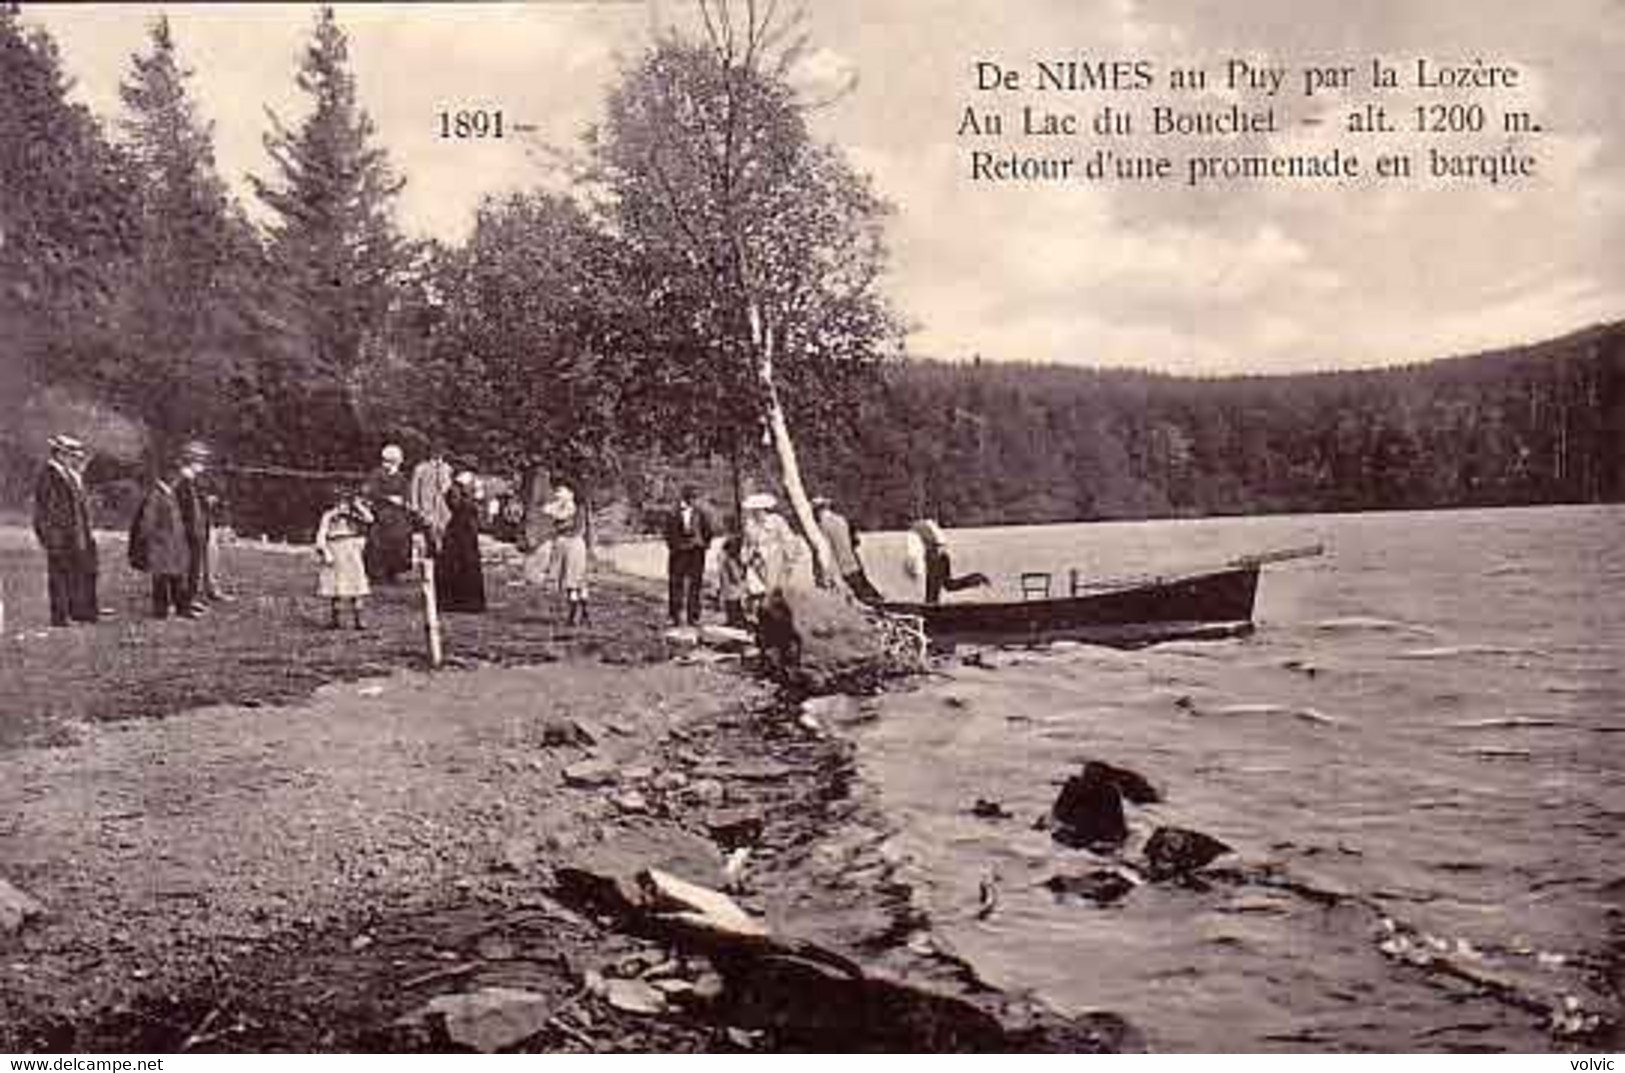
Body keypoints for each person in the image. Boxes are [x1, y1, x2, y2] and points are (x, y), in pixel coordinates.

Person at [32, 434, 99, 627]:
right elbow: (46, 511)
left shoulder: (69, 475)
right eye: (70, 455)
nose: (75, 459)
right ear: (60, 454)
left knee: (76, 573)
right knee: (59, 576)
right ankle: (60, 617)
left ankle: (77, 612)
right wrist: (51, 537)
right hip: (59, 536)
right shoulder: (49, 475)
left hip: (75, 535)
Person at [134, 460, 195, 620]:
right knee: (161, 579)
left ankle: (181, 609)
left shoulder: (170, 493)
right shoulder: (156, 494)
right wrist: (153, 540)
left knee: (177, 577)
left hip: (174, 545)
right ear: (169, 475)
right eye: (177, 476)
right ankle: (160, 611)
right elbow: (147, 522)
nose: (178, 480)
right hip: (162, 545)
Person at [315, 484, 373, 629]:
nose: (342, 505)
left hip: (351, 549)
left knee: (356, 584)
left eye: (345, 502)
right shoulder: (329, 516)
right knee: (336, 586)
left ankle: (360, 620)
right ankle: (336, 619)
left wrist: (358, 506)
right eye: (339, 502)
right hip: (335, 548)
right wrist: (325, 551)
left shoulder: (354, 516)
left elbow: (370, 519)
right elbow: (321, 535)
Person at [811, 495, 883, 603]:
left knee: (858, 598)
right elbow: (856, 541)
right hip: (853, 562)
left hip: (840, 568)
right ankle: (880, 600)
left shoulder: (821, 527)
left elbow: (824, 550)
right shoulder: (842, 520)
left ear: (817, 510)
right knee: (866, 590)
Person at [740, 492, 813, 596]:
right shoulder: (750, 525)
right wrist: (747, 556)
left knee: (777, 588)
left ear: (764, 509)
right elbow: (746, 544)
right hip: (758, 563)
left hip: (775, 559)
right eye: (754, 510)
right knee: (758, 590)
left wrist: (789, 558)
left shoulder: (776, 521)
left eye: (759, 510)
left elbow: (788, 539)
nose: (756, 513)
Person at [903, 518, 991, 604]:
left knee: (933, 595)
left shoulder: (917, 529)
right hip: (941, 556)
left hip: (935, 557)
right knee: (948, 585)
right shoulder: (927, 524)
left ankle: (976, 578)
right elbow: (939, 543)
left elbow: (915, 554)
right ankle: (976, 578)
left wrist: (915, 569)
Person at [435, 471, 487, 614]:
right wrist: (472, 500)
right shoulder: (455, 489)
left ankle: (468, 602)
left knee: (467, 563)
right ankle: (457, 601)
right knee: (457, 563)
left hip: (466, 530)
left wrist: (476, 500)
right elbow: (455, 505)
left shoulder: (468, 487)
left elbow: (478, 508)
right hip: (459, 529)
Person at [663, 484, 714, 627]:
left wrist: (704, 545)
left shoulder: (701, 511)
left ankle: (694, 616)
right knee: (675, 583)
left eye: (696, 497)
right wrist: (675, 547)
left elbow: (708, 530)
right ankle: (674, 616)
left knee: (696, 584)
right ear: (684, 496)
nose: (694, 499)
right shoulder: (672, 512)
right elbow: (668, 533)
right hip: (679, 553)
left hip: (697, 552)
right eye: (691, 496)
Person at [363, 444, 414, 582]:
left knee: (400, 540)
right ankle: (378, 573)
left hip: (398, 515)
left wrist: (405, 501)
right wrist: (388, 498)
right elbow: (370, 492)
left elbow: (407, 493)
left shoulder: (401, 476)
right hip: (382, 512)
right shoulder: (377, 474)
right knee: (379, 543)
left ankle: (395, 571)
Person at [173, 440, 213, 614]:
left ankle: (190, 598)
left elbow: (197, 503)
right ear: (190, 459)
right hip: (187, 532)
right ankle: (184, 602)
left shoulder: (194, 480)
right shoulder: (183, 480)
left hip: (197, 530)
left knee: (195, 567)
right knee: (187, 568)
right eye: (200, 458)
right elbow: (182, 508)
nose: (202, 463)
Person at [543, 484, 591, 625]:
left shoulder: (570, 507)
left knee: (571, 580)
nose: (557, 494)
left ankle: (573, 616)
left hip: (568, 543)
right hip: (575, 543)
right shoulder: (579, 507)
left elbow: (555, 514)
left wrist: (555, 514)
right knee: (578, 579)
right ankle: (583, 614)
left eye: (560, 491)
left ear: (570, 493)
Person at [409, 441, 455, 554]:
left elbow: (450, 489)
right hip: (427, 508)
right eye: (436, 452)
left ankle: (444, 562)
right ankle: (431, 562)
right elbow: (414, 489)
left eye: (441, 453)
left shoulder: (447, 468)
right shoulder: (421, 468)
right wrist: (415, 507)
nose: (438, 455)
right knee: (430, 538)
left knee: (445, 537)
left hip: (444, 510)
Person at [715, 532, 751, 627]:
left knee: (734, 596)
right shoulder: (724, 557)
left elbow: (738, 575)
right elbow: (726, 575)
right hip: (730, 584)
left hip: (735, 585)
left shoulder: (733, 557)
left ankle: (736, 619)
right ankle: (733, 619)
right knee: (730, 596)